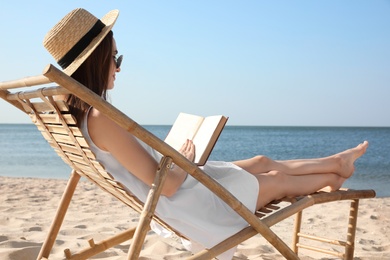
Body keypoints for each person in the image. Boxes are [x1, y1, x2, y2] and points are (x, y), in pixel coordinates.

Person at [43, 8, 369, 259]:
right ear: (96, 61)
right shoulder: (101, 116)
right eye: (115, 57)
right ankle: (333, 177)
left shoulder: (78, 114)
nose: (118, 66)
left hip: (180, 186)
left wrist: (177, 160)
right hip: (184, 204)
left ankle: (336, 163)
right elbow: (167, 187)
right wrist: (182, 158)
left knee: (261, 160)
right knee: (276, 181)